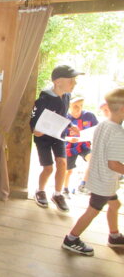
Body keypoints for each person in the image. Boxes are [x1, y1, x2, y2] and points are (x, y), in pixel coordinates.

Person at [62, 88, 124, 256]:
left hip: (100, 177)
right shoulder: (118, 132)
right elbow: (113, 164)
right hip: (104, 181)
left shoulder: (103, 124)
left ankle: (114, 235)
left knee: (115, 204)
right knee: (92, 211)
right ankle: (71, 239)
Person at [29, 65, 82, 212]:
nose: (74, 84)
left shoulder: (66, 96)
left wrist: (70, 125)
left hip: (58, 135)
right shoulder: (43, 99)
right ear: (58, 82)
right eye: (71, 81)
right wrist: (35, 130)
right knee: (48, 168)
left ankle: (58, 194)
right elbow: (33, 121)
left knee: (62, 163)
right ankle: (40, 191)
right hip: (43, 138)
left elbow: (62, 116)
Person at [63, 95, 98, 198]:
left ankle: (83, 184)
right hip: (69, 147)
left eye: (81, 105)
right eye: (75, 106)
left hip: (84, 145)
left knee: (93, 160)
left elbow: (96, 129)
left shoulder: (89, 116)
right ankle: (65, 189)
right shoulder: (65, 117)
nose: (78, 108)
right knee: (68, 170)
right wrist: (68, 139)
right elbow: (59, 135)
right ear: (69, 106)